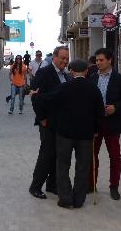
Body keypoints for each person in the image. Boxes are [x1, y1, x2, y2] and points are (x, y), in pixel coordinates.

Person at [34, 59, 104, 209]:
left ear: (71, 72)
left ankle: (65, 198)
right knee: (83, 166)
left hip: (65, 134)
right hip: (85, 135)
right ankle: (79, 199)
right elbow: (100, 112)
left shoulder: (64, 87)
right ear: (86, 71)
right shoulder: (93, 89)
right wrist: (97, 130)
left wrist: (35, 95)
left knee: (63, 165)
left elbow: (47, 100)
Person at [89, 48, 121, 200]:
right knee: (91, 155)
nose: (98, 63)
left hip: (113, 123)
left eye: (101, 60)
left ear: (109, 60)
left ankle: (114, 186)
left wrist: (116, 107)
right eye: (96, 60)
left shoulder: (120, 79)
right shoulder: (92, 78)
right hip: (95, 124)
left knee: (114, 156)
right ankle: (90, 184)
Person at [28, 46, 71, 199]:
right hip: (47, 122)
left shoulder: (65, 76)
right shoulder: (44, 73)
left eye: (67, 59)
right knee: (46, 154)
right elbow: (34, 96)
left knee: (57, 155)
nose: (65, 61)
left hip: (60, 123)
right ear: (54, 57)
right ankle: (35, 186)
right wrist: (42, 118)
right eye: (62, 58)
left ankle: (52, 185)